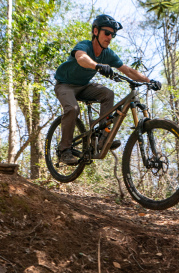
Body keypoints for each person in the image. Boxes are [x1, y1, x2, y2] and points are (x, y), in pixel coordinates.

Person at [54, 14, 161, 165]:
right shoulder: (85, 45)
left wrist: (149, 81)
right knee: (72, 108)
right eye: (107, 33)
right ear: (96, 31)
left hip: (84, 86)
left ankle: (102, 138)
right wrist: (97, 65)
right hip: (64, 85)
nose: (110, 37)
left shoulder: (107, 54)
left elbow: (128, 70)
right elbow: (81, 58)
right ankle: (64, 150)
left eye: (113, 35)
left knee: (108, 93)